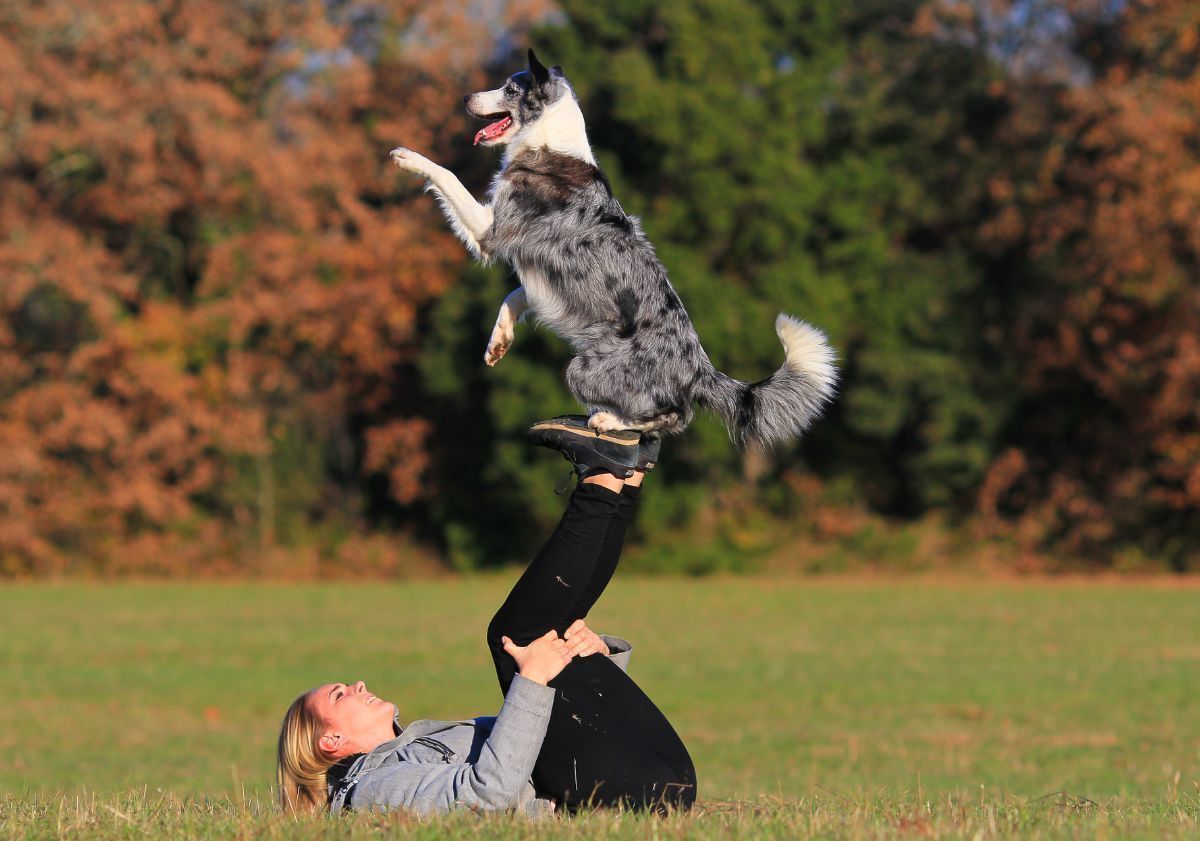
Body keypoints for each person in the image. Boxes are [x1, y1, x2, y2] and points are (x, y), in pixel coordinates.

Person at [276, 417, 696, 815]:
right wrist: (531, 679)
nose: (358, 684)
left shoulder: (416, 745)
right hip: (624, 794)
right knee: (516, 638)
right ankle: (606, 474)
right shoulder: (373, 788)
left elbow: (559, 732)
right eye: (339, 694)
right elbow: (486, 797)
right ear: (331, 740)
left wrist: (592, 656)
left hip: (647, 778)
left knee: (554, 635)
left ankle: (627, 472)